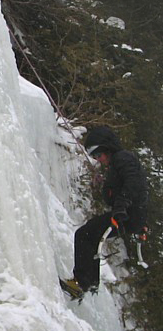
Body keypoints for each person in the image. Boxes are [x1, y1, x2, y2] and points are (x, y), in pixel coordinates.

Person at [61, 126, 148, 300]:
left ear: (108, 149)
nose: (98, 160)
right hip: (130, 214)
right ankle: (89, 283)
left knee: (84, 234)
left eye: (98, 155)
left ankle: (82, 283)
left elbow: (134, 182)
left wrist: (122, 205)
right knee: (90, 236)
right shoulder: (117, 164)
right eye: (94, 157)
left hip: (127, 214)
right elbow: (126, 187)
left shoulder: (123, 158)